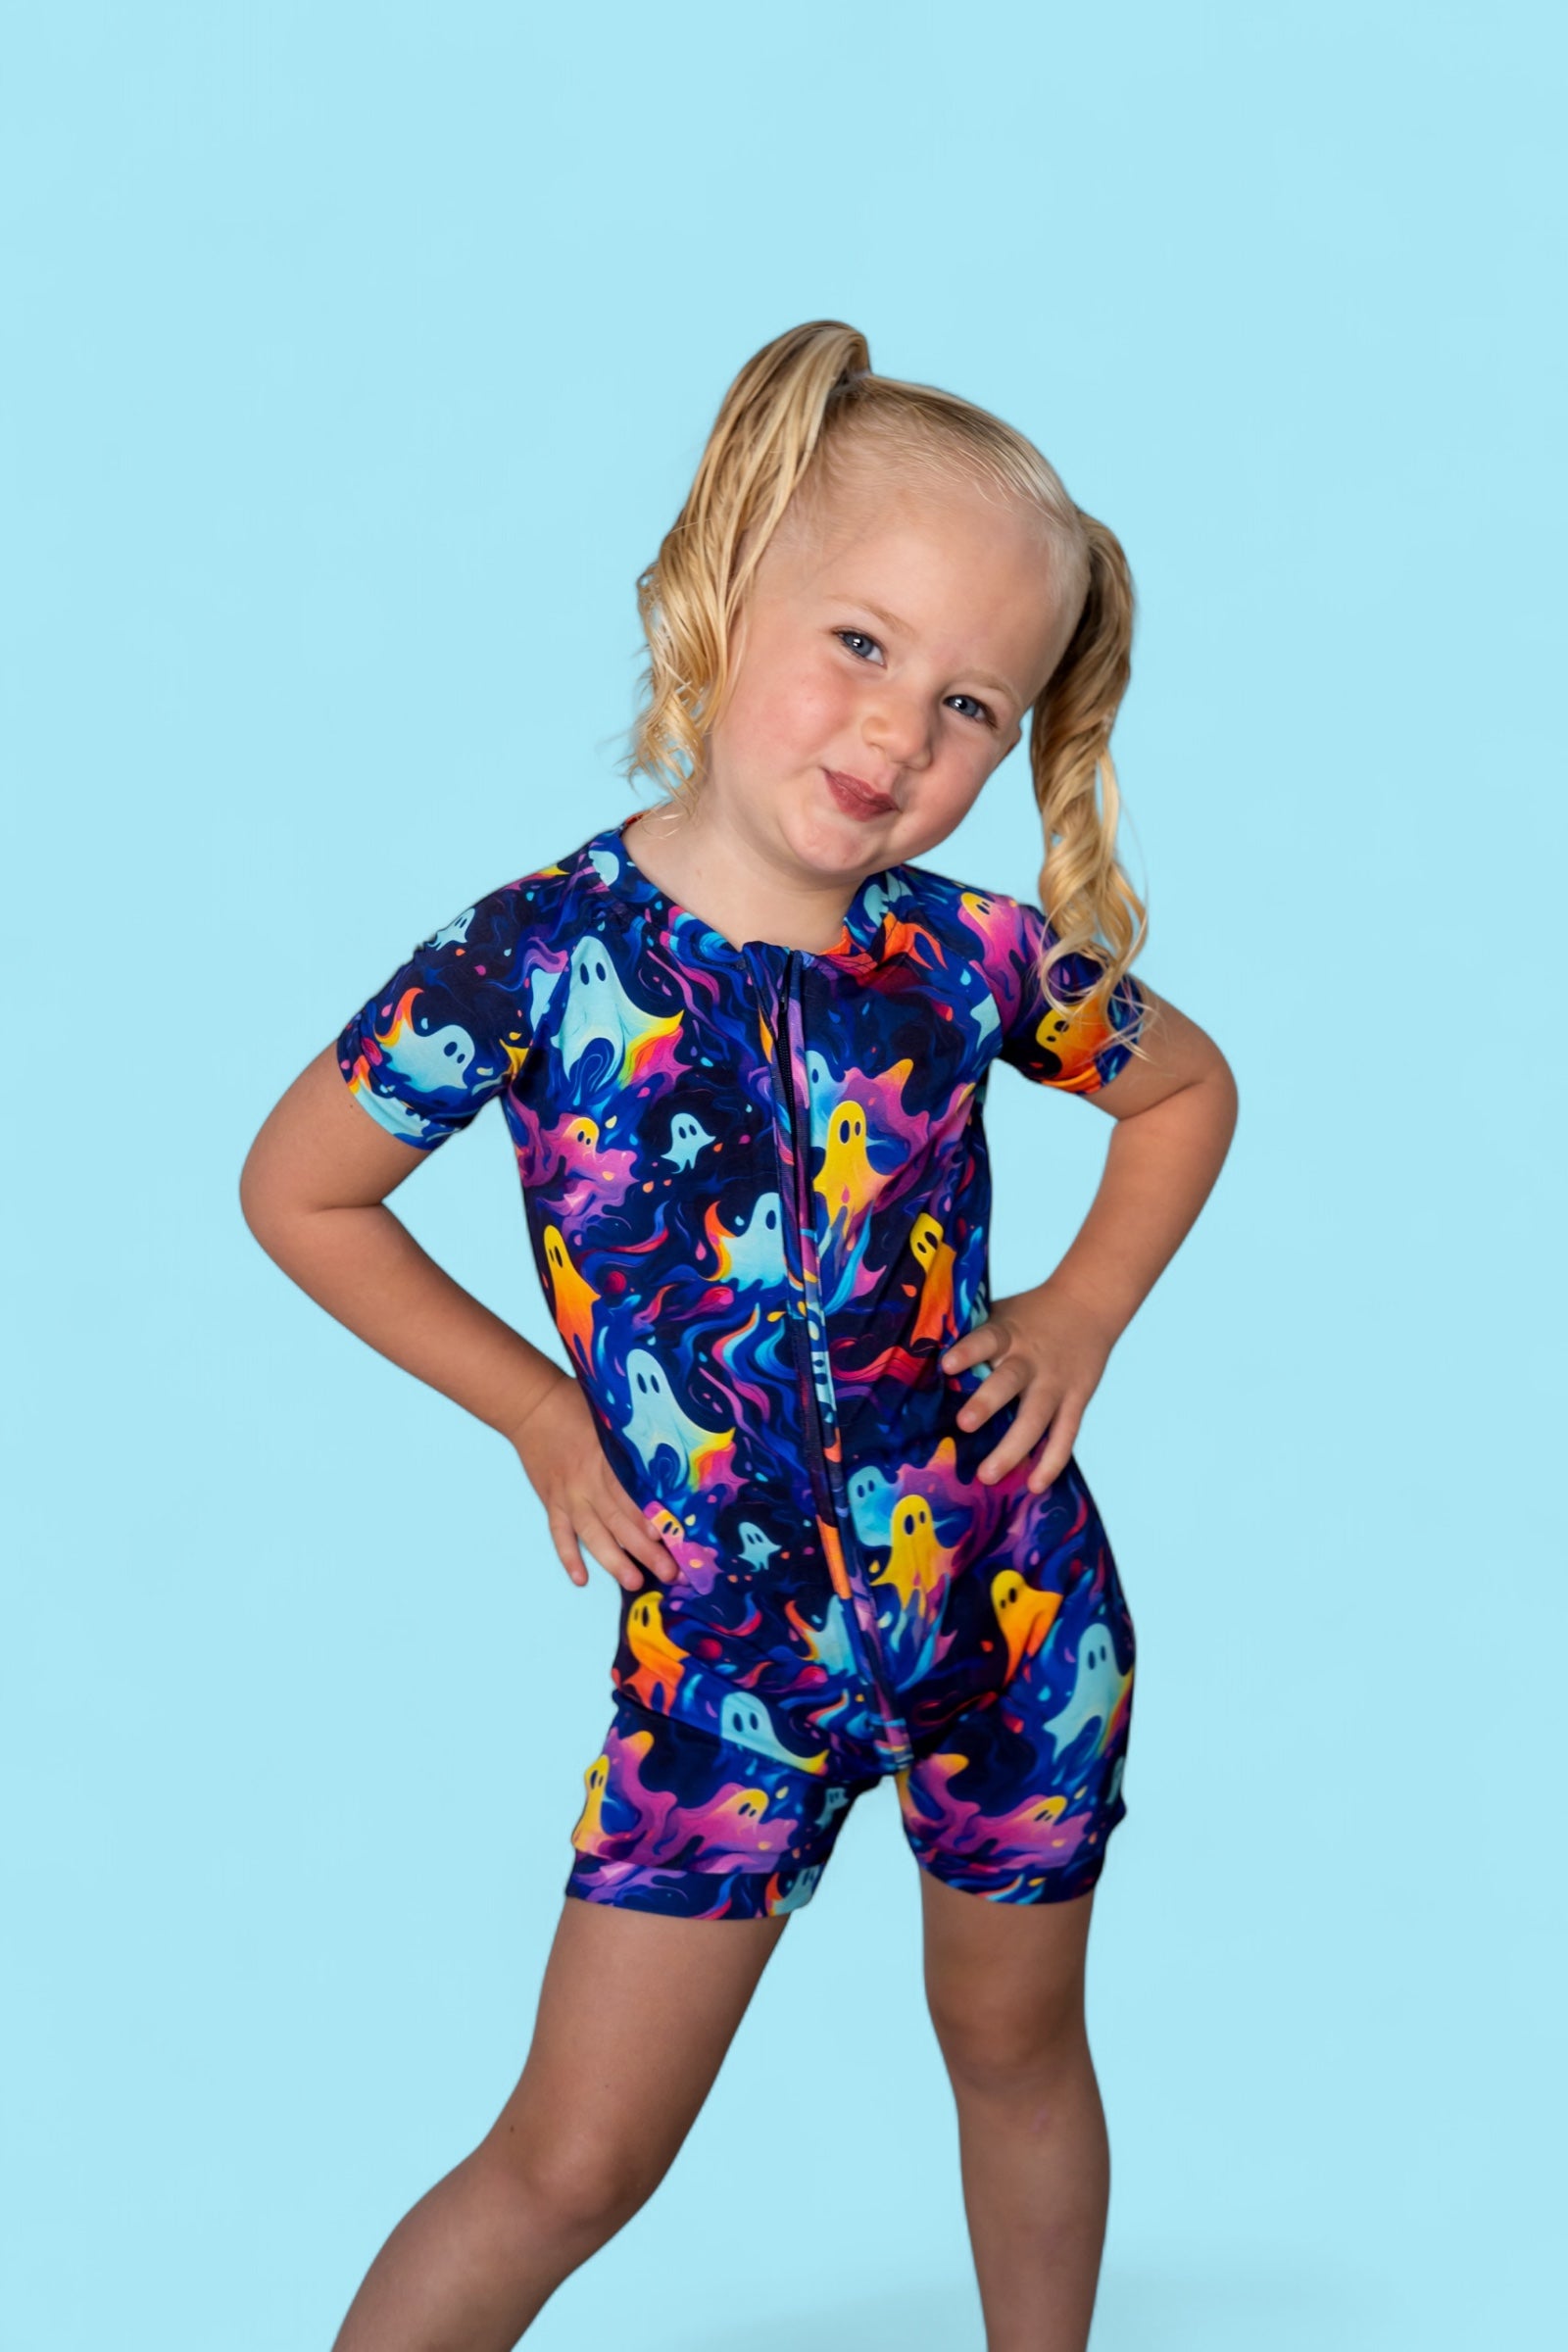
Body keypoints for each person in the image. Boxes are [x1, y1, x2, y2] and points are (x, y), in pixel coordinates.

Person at [241, 319, 1238, 2352]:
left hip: (1010, 1613)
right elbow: (298, 1191)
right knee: (571, 2162)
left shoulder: (961, 956)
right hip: (723, 1661)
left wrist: (1083, 1309)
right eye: (859, 642)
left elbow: (1188, 1088)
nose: (896, 730)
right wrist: (538, 1412)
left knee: (1015, 2057)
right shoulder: (532, 961)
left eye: (967, 703)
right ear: (727, 583)